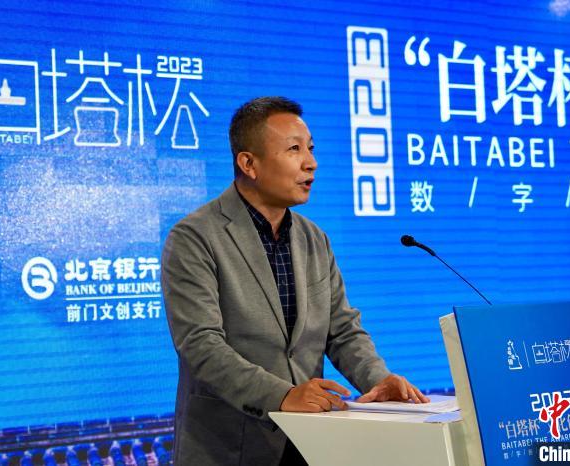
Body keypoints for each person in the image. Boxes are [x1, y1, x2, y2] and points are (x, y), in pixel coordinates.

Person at [161, 96, 428, 466]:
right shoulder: (195, 237)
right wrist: (283, 396)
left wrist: (377, 379)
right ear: (248, 164)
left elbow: (342, 331)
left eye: (311, 148)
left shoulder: (314, 238)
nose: (310, 162)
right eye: (294, 149)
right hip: (228, 447)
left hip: (309, 445)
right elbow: (200, 345)